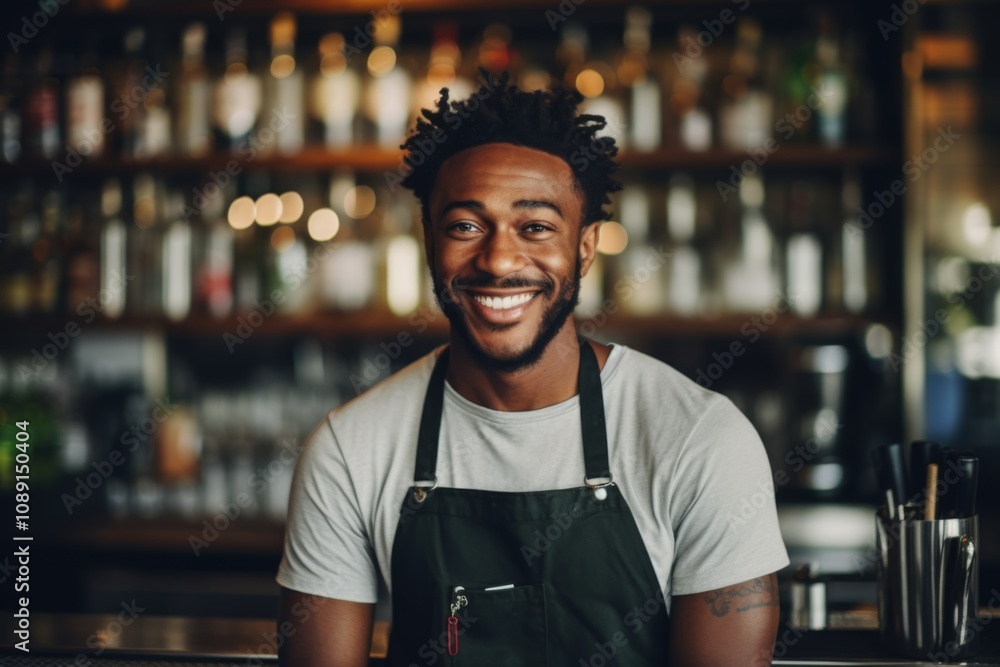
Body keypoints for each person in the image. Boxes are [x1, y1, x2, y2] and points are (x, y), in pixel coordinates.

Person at [276, 71, 789, 666]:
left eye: (536, 227)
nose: (497, 259)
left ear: (586, 246)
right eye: (466, 226)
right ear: (428, 242)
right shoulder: (349, 449)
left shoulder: (700, 440)